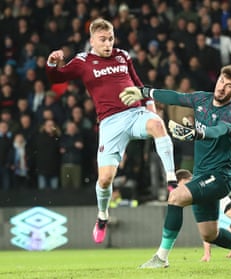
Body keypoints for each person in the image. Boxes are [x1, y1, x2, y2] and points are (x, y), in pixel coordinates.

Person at [119, 64, 231, 267]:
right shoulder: (202, 99)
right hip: (202, 175)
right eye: (221, 81)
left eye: (229, 86)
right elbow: (175, 97)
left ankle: (161, 258)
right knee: (210, 234)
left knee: (175, 196)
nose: (221, 87)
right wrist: (143, 91)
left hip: (220, 178)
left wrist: (197, 133)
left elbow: (217, 131)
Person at [45, 18, 177, 244]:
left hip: (134, 114)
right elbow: (58, 77)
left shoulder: (123, 56)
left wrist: (151, 109)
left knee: (157, 125)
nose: (108, 44)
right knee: (105, 179)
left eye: (110, 39)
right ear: (92, 41)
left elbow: (137, 83)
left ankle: (172, 180)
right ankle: (102, 216)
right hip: (110, 123)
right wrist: (52, 63)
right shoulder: (83, 60)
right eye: (102, 40)